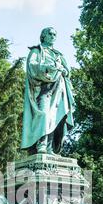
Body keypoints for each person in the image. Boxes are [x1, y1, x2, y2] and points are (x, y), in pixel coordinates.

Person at [21, 27, 75, 155]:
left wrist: (63, 71)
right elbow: (31, 66)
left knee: (55, 117)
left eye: (54, 34)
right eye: (50, 34)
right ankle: (41, 145)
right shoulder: (36, 51)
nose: (52, 36)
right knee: (44, 115)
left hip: (59, 89)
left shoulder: (58, 54)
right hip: (43, 89)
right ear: (43, 36)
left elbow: (68, 72)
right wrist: (48, 68)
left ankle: (49, 148)